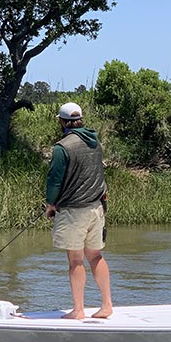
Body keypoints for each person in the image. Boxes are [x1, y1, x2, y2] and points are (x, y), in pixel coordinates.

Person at [45, 102, 113, 319]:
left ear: (62, 122)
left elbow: (54, 181)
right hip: (96, 208)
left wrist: (50, 204)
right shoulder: (95, 142)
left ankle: (78, 310)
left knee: (75, 260)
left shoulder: (62, 147)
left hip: (74, 211)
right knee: (95, 256)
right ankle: (107, 306)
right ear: (81, 120)